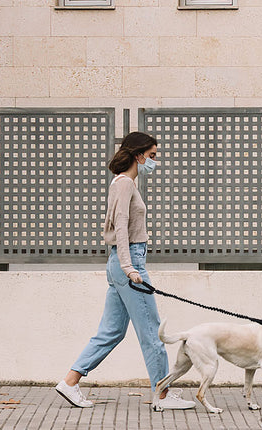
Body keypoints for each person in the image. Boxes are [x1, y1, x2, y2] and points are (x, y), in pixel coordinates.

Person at [55, 132, 195, 410]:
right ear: (138, 155)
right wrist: (130, 267)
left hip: (123, 262)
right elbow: (120, 226)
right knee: (153, 332)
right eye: (152, 156)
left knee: (111, 332)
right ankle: (163, 396)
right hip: (128, 261)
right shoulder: (124, 184)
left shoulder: (126, 183)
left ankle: (69, 383)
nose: (154, 162)